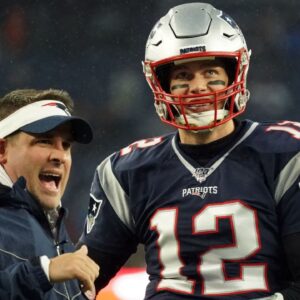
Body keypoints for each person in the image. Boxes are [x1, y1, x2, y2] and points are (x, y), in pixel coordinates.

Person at [79, 3, 300, 300]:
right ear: (161, 84)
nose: (197, 87)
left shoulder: (285, 152)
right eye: (182, 76)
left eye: (211, 72)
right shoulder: (127, 171)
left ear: (237, 73)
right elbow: (80, 281)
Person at [0, 89, 100, 299]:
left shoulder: (58, 235)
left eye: (66, 145)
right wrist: (43, 272)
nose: (60, 156)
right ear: (2, 150)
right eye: (44, 141)